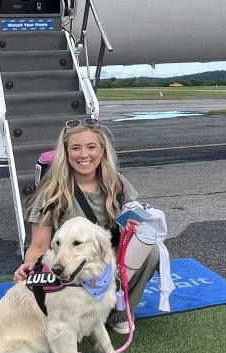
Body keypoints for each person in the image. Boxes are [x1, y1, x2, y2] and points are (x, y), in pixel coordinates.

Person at [14, 118, 160, 331]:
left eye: (91, 147)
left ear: (102, 150)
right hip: (73, 266)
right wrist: (31, 268)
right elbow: (38, 245)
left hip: (107, 259)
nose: (84, 155)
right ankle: (80, 313)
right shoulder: (52, 193)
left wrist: (133, 226)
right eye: (76, 148)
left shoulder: (116, 183)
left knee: (151, 249)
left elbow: (135, 213)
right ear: (66, 152)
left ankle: (118, 314)